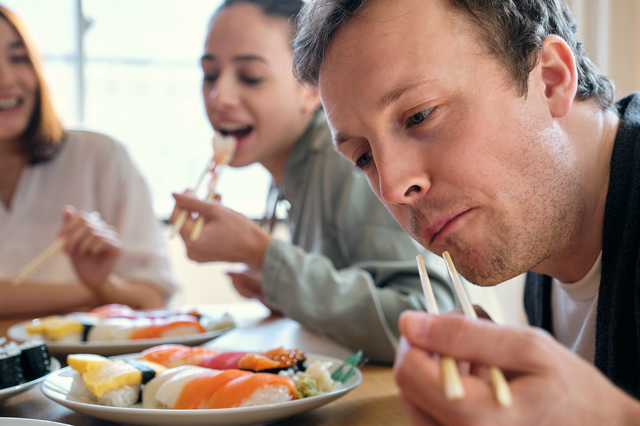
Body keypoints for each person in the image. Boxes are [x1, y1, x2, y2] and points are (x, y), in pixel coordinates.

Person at [293, 0, 640, 423]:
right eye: (364, 157)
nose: (393, 187)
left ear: (549, 79)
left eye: (419, 116)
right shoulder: (542, 227)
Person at [170, 0, 457, 363]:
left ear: (311, 89)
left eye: (250, 77)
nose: (218, 96)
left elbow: (427, 317)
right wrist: (275, 287)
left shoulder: (346, 159)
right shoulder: (290, 171)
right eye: (210, 74)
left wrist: (261, 254)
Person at [0, 5, 177, 316]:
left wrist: (103, 284)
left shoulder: (102, 158)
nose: (5, 78)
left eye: (18, 58)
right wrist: (93, 293)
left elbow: (154, 301)